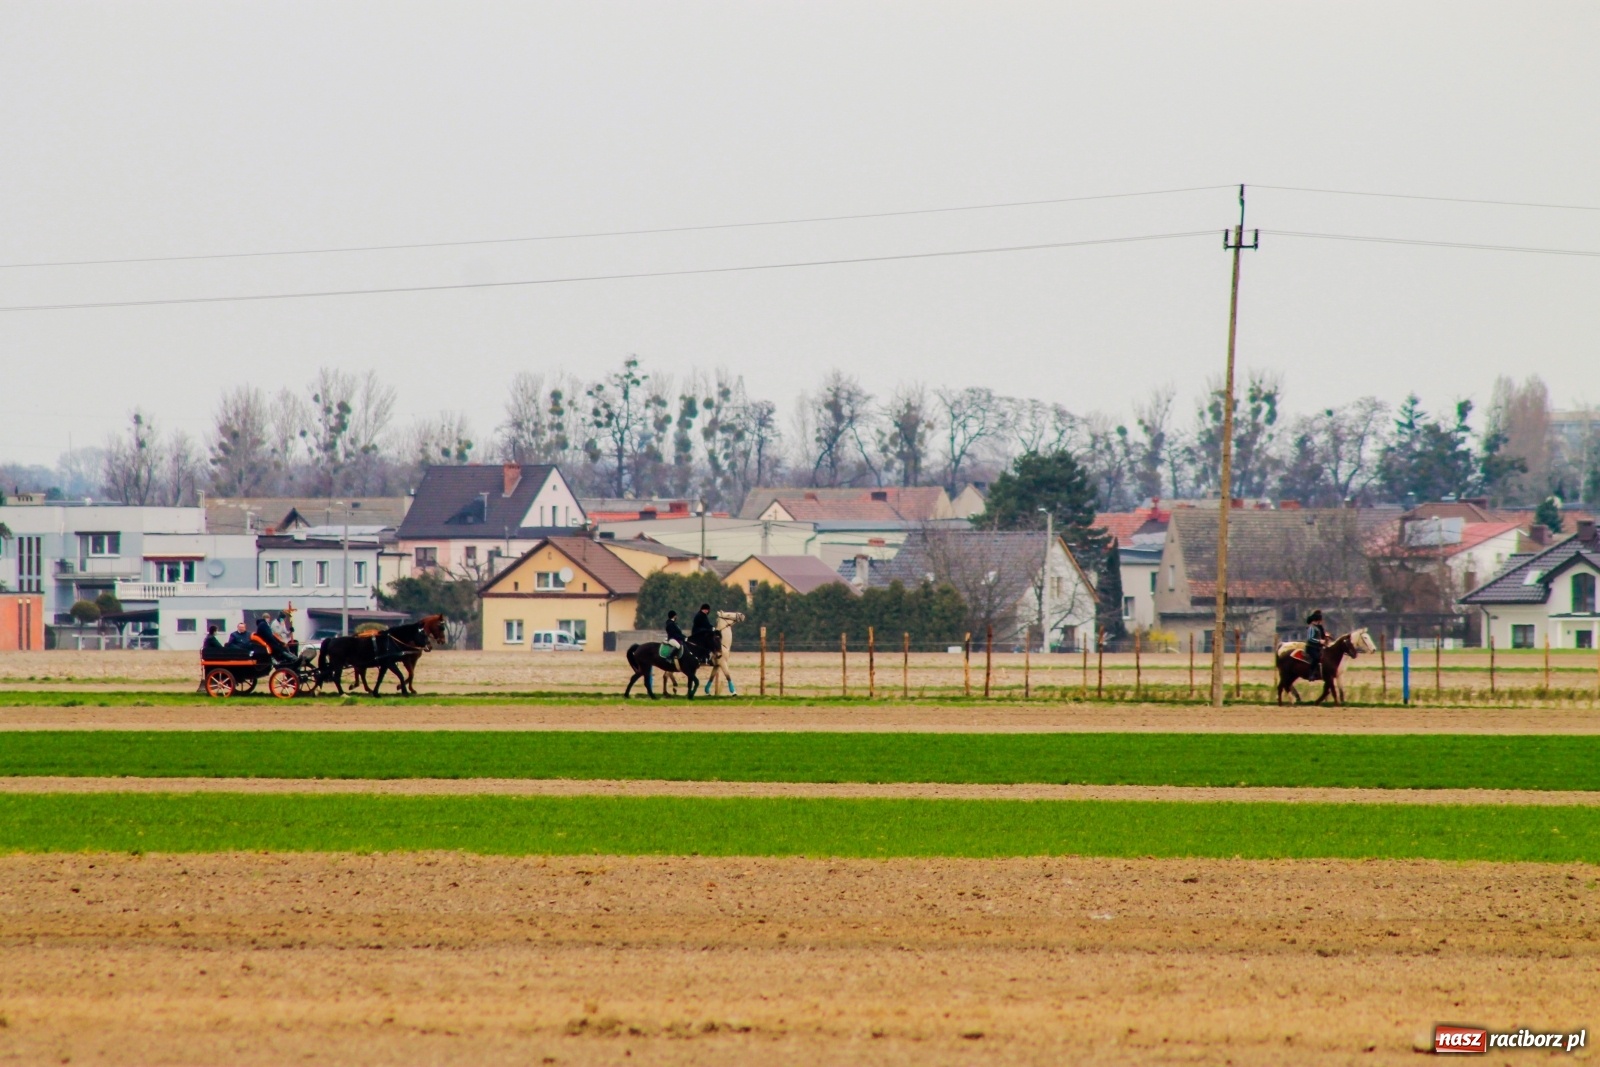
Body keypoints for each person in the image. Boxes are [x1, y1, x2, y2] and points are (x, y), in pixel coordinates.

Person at [1304, 610, 1327, 681]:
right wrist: (1319, 641)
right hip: (1311, 647)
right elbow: (1310, 639)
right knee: (1316, 658)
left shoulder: (1317, 627)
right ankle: (1311, 673)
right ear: (1317, 620)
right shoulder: (1311, 627)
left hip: (1317, 647)